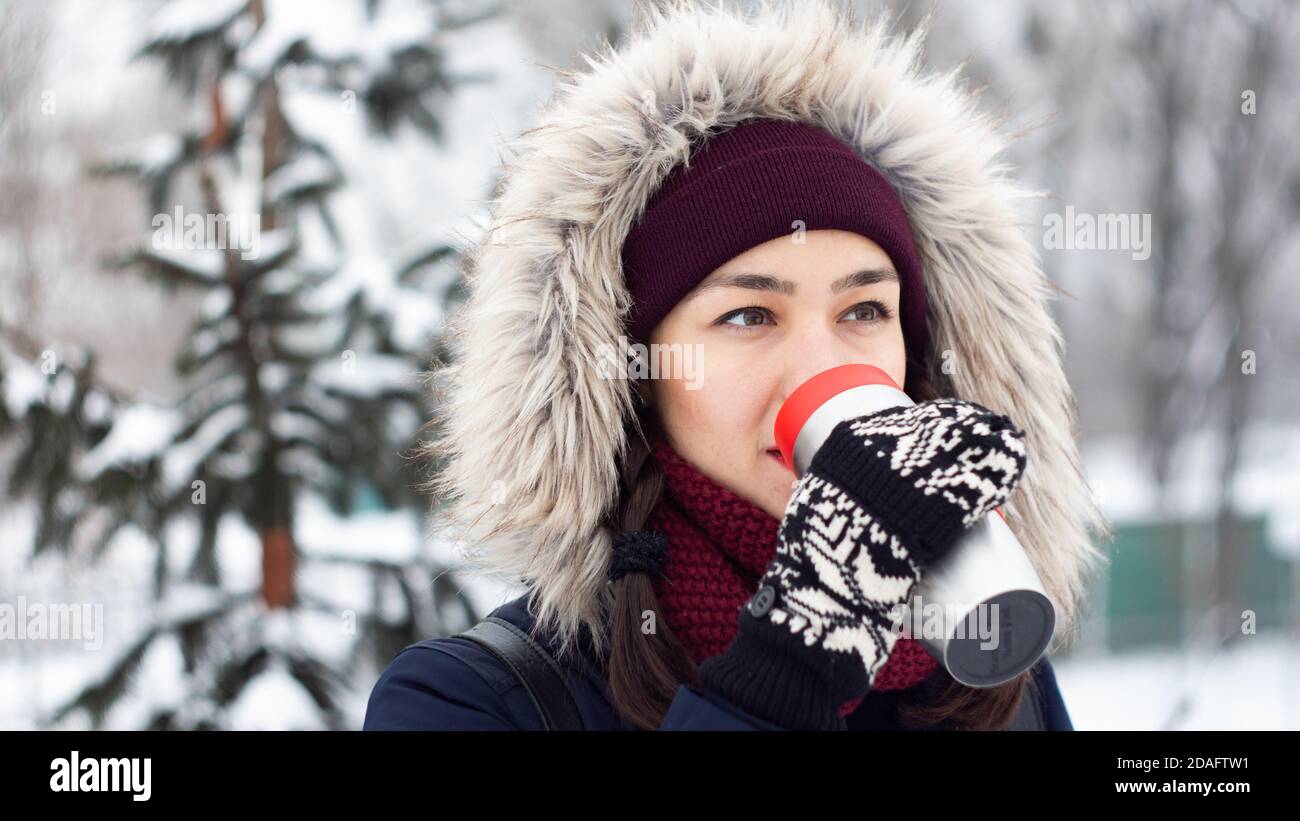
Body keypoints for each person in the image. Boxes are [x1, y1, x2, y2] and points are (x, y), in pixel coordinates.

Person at [363, 0, 1107, 731]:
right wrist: (787, 666)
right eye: (749, 316)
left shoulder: (984, 670)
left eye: (865, 310)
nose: (820, 366)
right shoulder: (476, 697)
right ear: (637, 373)